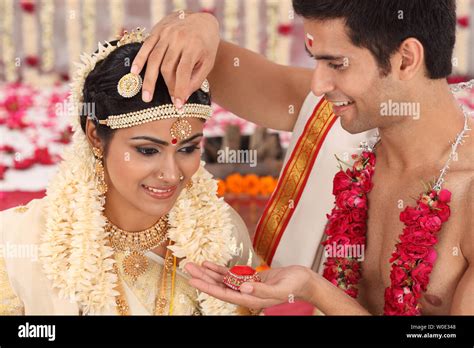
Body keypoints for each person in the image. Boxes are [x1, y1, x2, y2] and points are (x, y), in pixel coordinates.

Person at [134, 0, 473, 315]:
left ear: (406, 59)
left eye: (336, 63)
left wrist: (315, 290)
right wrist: (198, 24)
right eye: (316, 60)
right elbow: (203, 62)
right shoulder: (336, 116)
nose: (318, 84)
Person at [0, 29, 257, 315]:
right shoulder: (18, 243)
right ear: (95, 136)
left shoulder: (224, 236)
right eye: (148, 150)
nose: (172, 174)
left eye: (187, 149)